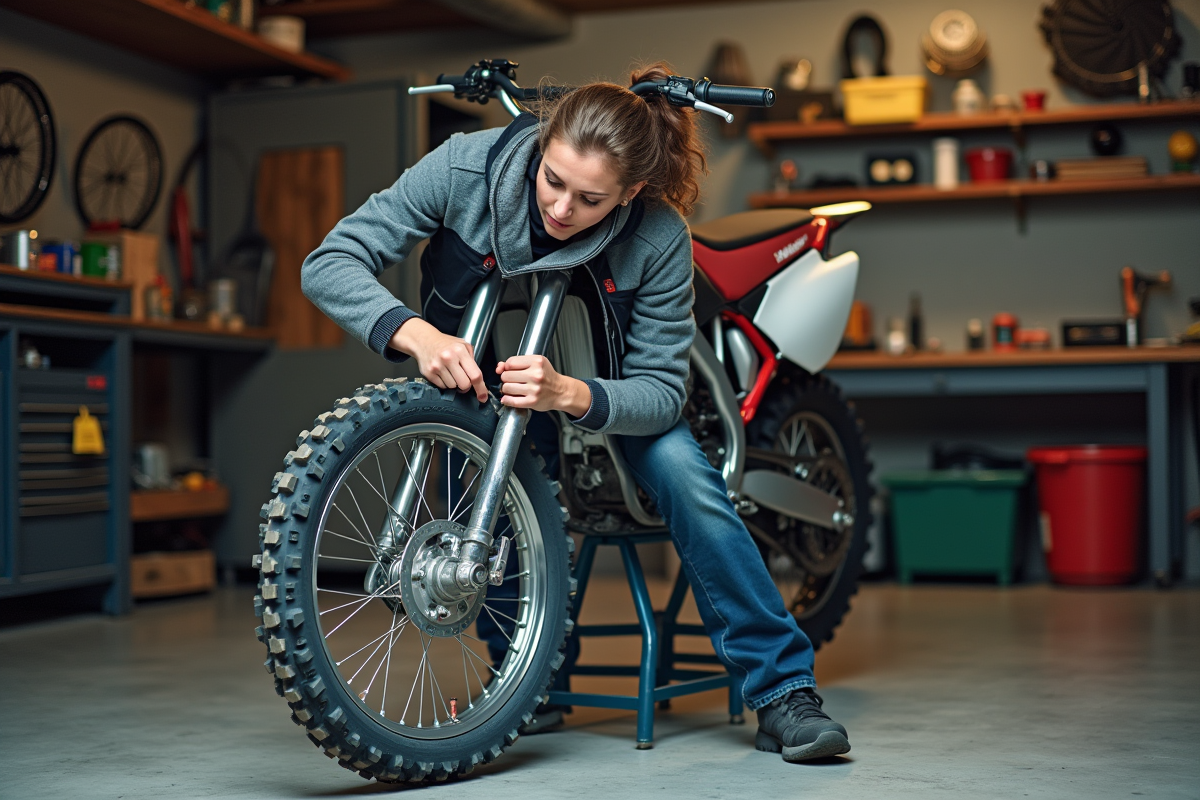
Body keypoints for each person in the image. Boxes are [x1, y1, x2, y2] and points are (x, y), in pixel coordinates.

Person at [300, 63, 850, 763]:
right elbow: (329, 260)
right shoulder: (464, 169)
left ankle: (783, 693)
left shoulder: (657, 238)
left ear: (632, 194)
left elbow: (661, 392)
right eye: (552, 180)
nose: (561, 209)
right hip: (485, 392)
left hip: (612, 410)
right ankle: (534, 681)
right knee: (478, 486)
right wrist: (417, 334)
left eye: (590, 199)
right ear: (541, 144)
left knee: (689, 478)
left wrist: (571, 395)